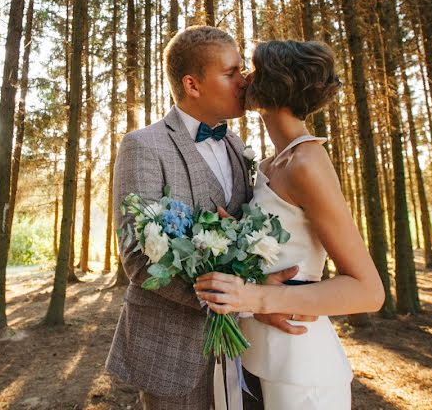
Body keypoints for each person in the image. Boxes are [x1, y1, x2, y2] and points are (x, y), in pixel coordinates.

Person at [106, 26, 309, 410]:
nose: (244, 81)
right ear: (193, 85)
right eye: (231, 73)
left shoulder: (236, 145)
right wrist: (243, 300)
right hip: (171, 354)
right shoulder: (142, 146)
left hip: (249, 351)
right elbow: (137, 259)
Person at [194, 40, 385, 410]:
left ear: (275, 85)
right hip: (251, 357)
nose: (245, 79)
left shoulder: (308, 163)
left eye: (253, 69)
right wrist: (230, 236)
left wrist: (258, 297)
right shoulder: (269, 165)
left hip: (301, 368)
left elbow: (368, 290)